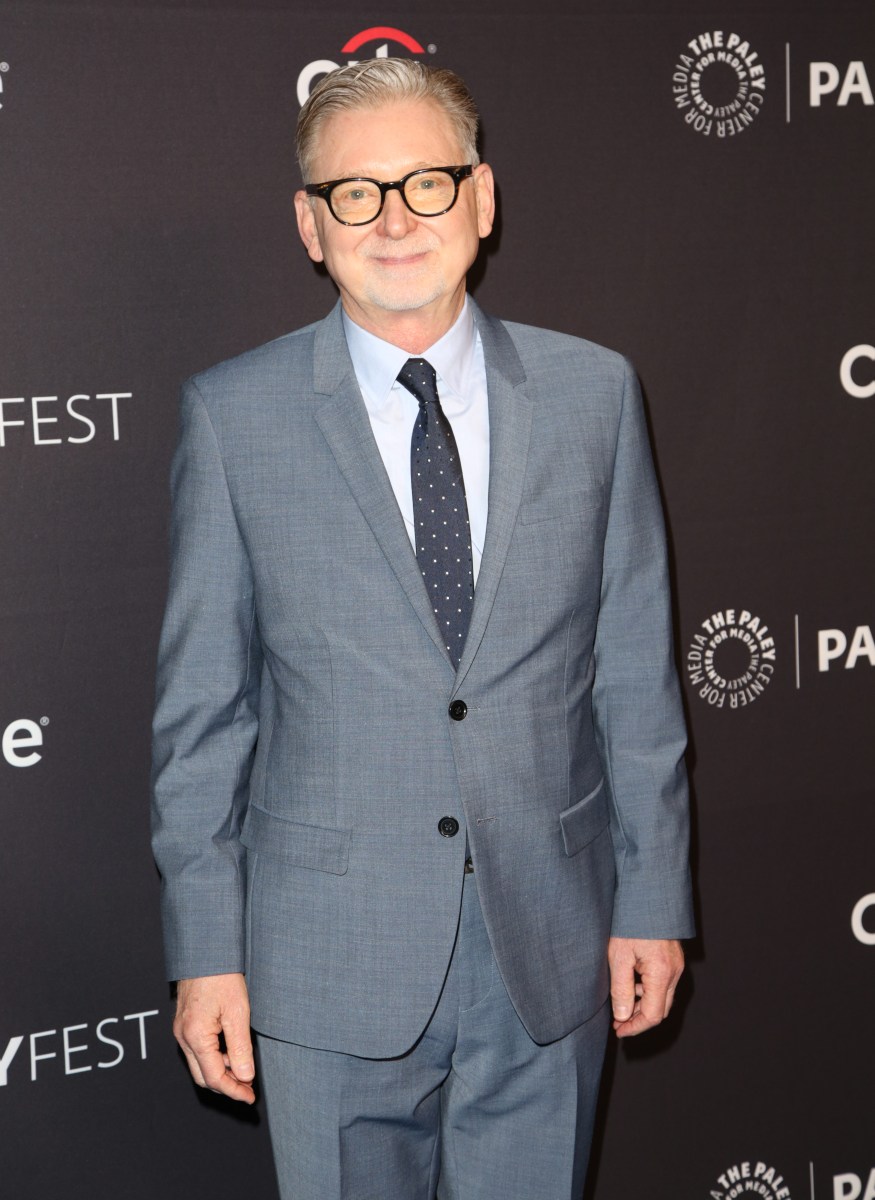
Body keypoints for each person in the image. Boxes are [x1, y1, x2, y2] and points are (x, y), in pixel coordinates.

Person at [151, 57, 693, 1200]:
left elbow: (635, 674)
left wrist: (651, 901)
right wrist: (205, 950)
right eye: (356, 193)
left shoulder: (593, 394)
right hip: (321, 962)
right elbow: (204, 714)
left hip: (549, 948)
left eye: (428, 184)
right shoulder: (234, 417)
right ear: (310, 224)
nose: (395, 219)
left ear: (482, 199)